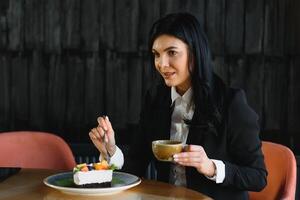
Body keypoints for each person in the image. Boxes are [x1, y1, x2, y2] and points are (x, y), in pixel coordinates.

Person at [89, 13, 267, 199]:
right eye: (156, 55)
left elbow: (258, 177)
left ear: (195, 53)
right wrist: (110, 151)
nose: (161, 64)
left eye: (172, 53)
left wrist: (211, 167)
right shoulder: (155, 99)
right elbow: (136, 165)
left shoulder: (231, 103)